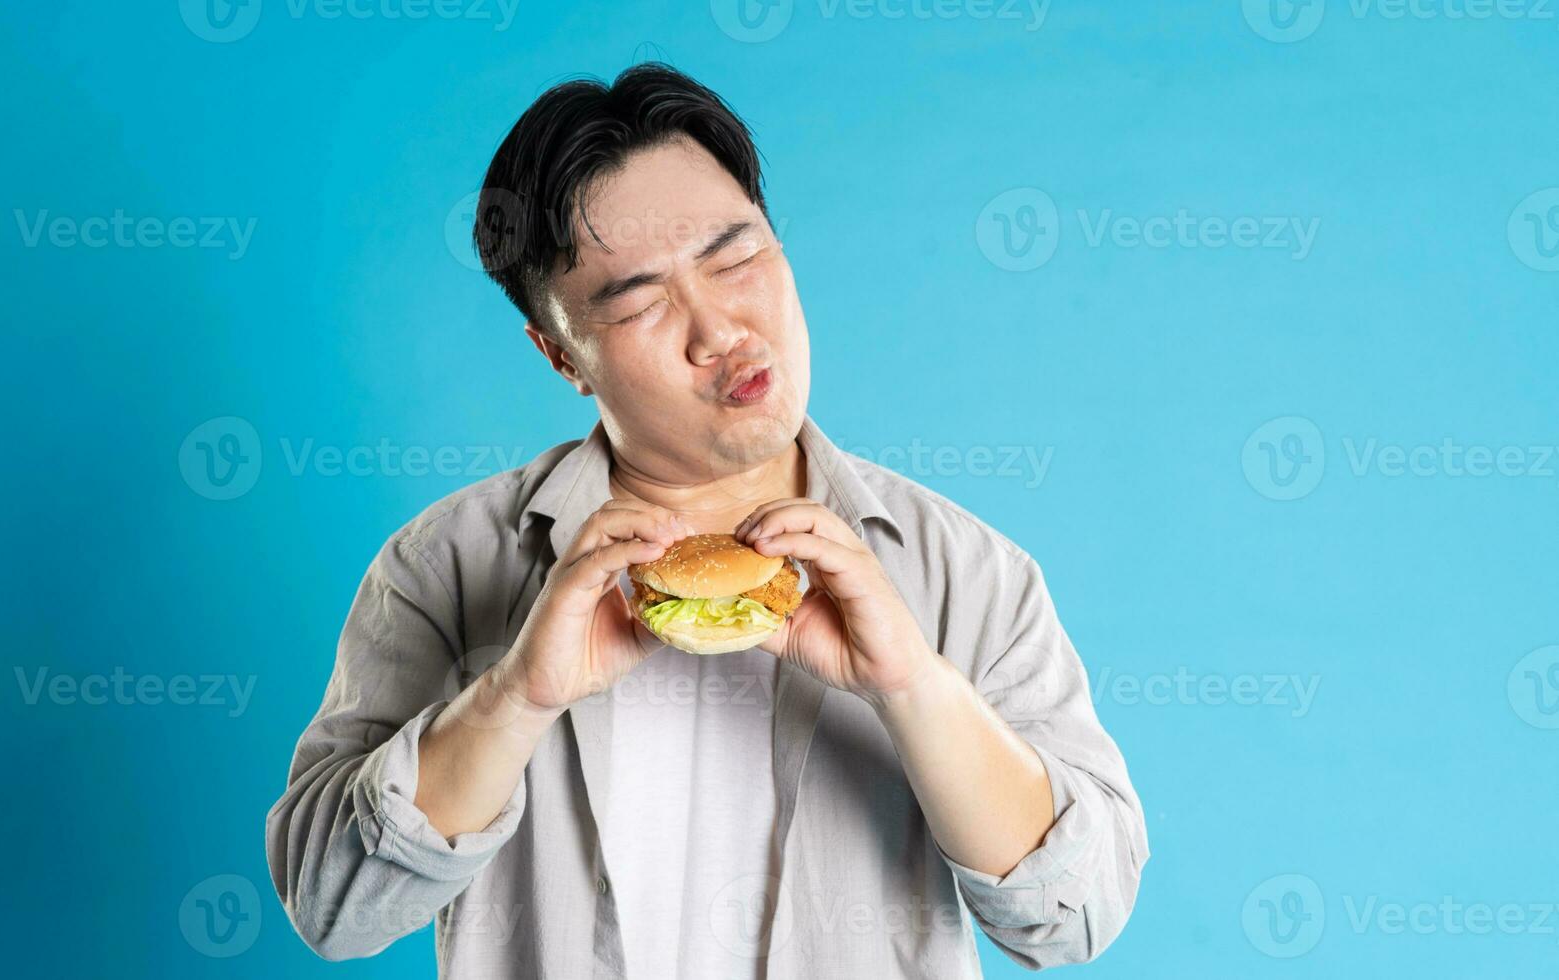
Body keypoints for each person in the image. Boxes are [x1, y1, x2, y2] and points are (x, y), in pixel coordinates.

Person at [265, 62, 1148, 979]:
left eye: (736, 258)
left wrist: (914, 688)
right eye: (642, 302)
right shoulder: (444, 565)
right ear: (560, 355)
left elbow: (1073, 918)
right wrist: (515, 696)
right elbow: (334, 911)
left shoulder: (965, 570)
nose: (719, 329)